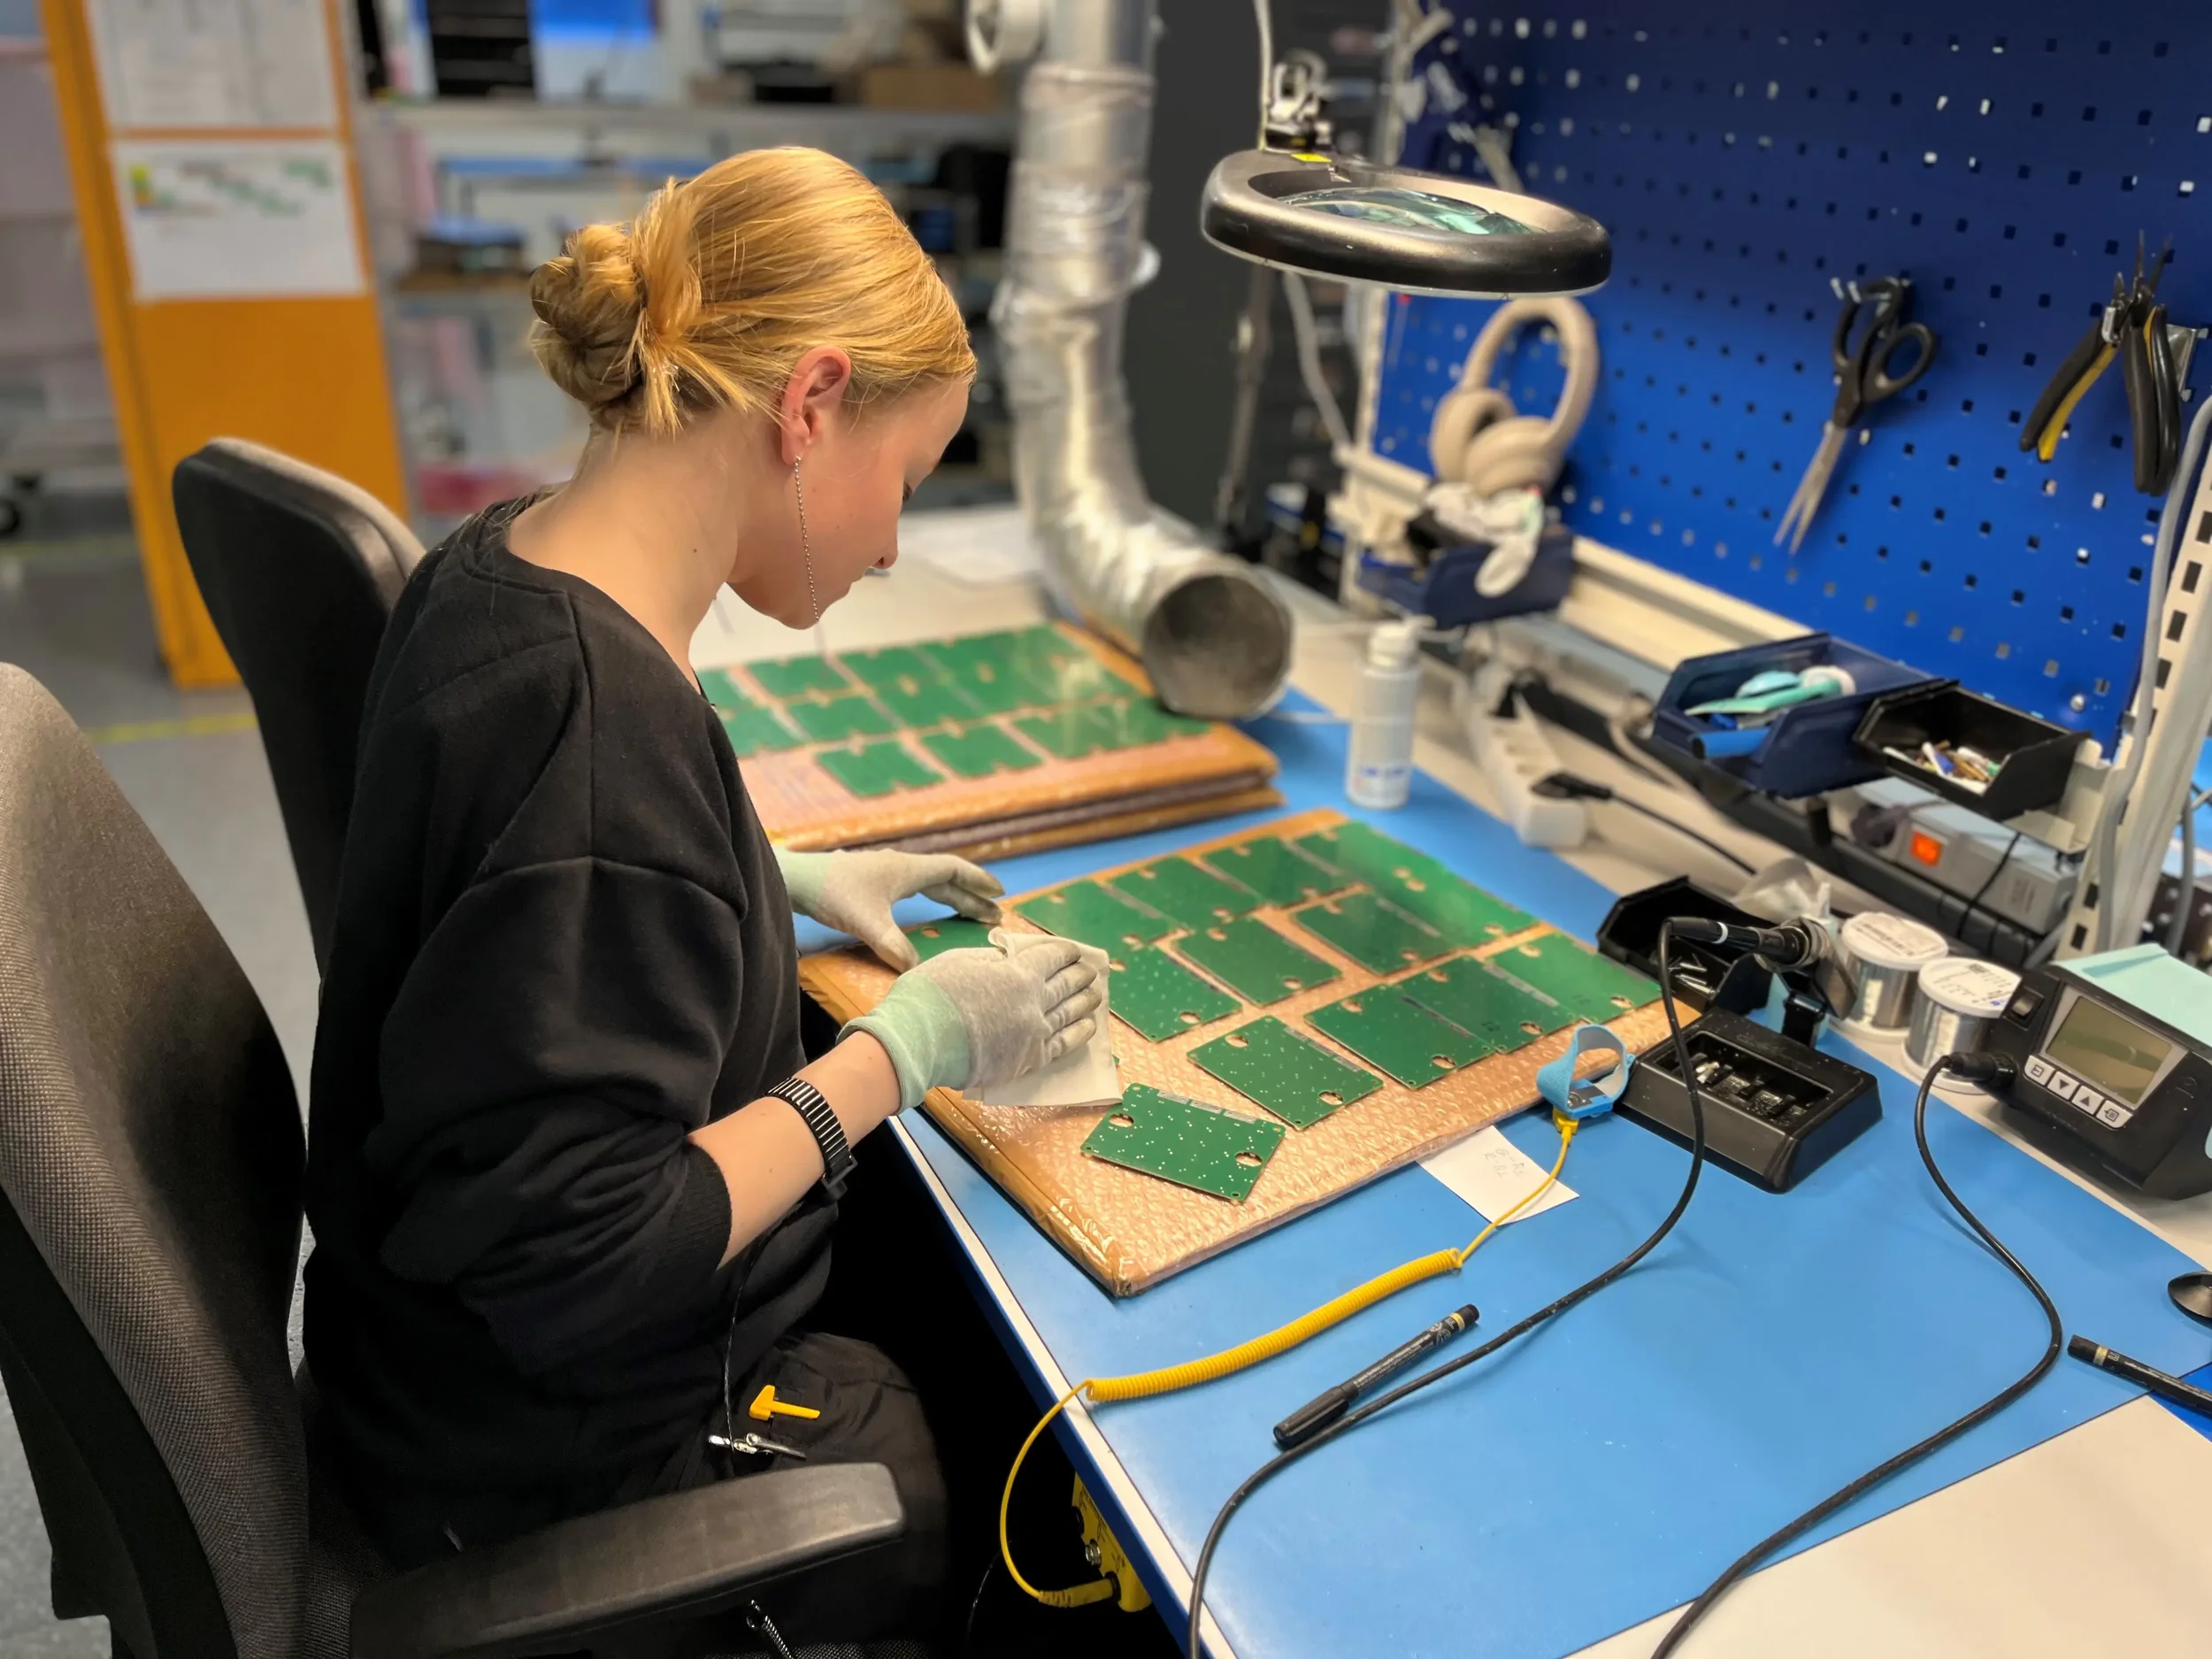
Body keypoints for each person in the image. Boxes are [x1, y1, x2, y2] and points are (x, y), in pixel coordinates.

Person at [303, 147, 1102, 1644]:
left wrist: (765, 873)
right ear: (811, 404)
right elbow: (583, 1258)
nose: (891, 542)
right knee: (1025, 1452)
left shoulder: (493, 567)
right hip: (562, 1453)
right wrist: (907, 1051)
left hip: (412, 1369)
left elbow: (516, 890)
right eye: (903, 481)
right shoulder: (604, 753)